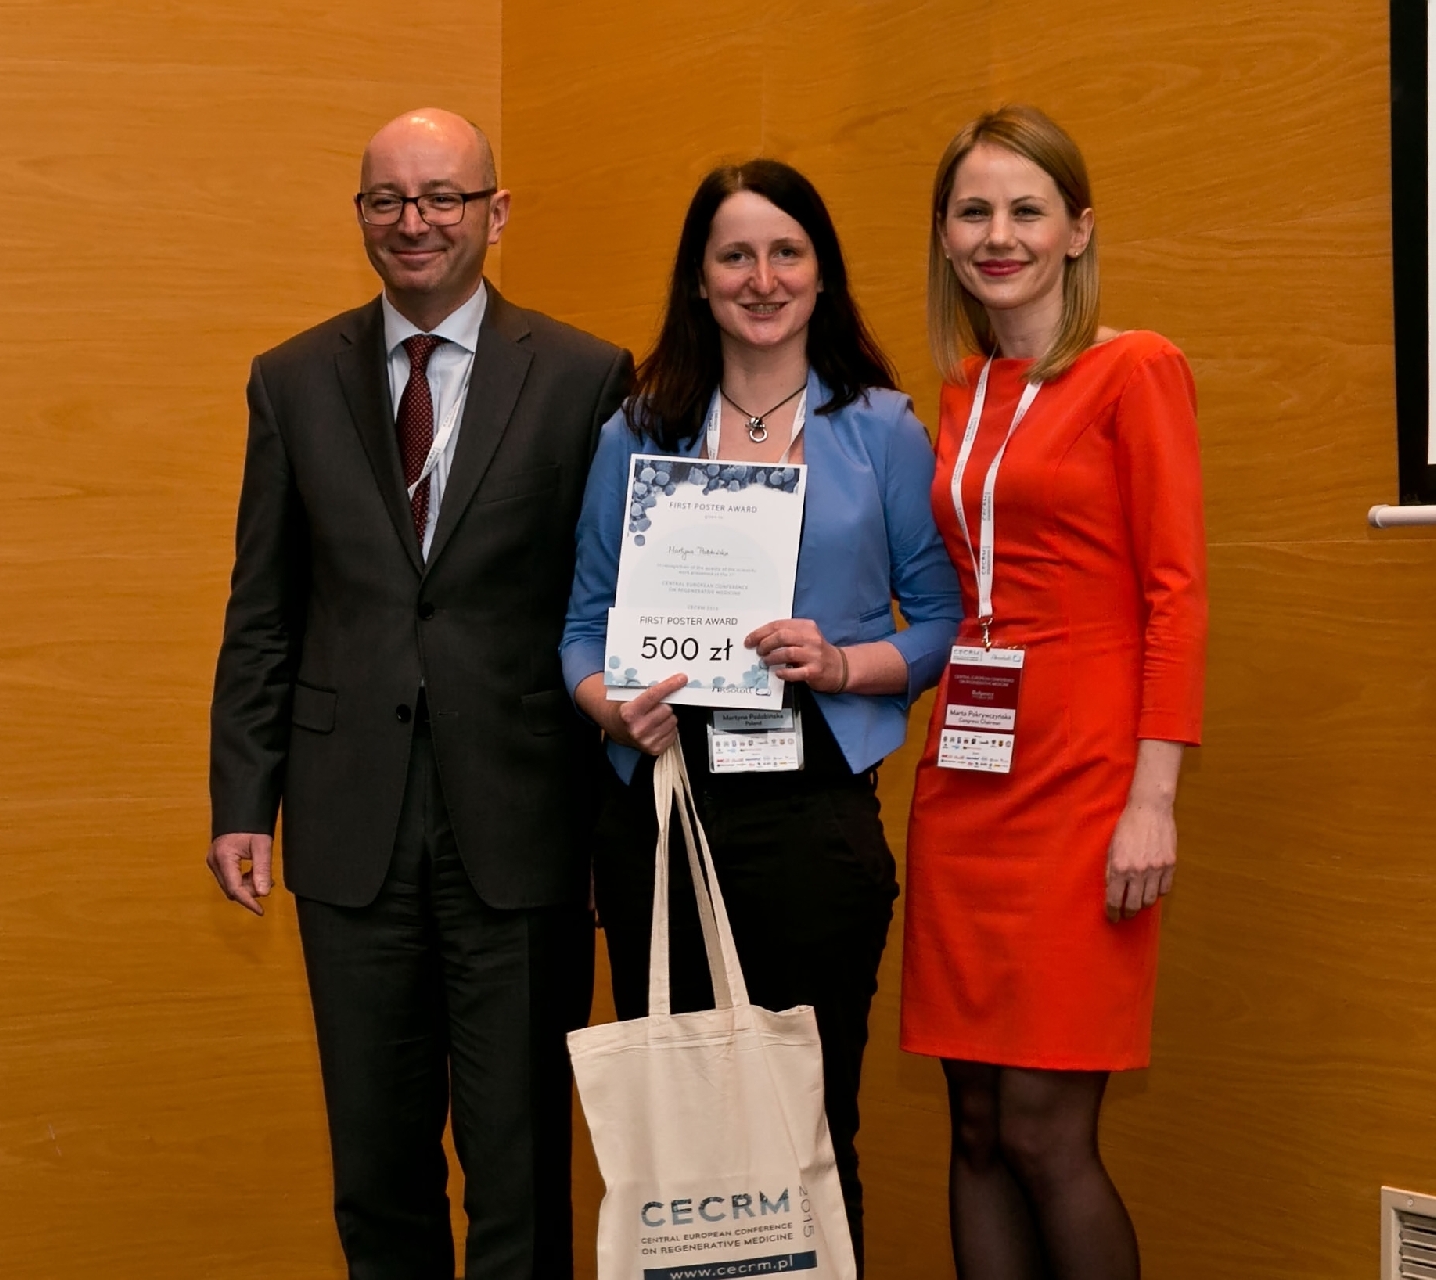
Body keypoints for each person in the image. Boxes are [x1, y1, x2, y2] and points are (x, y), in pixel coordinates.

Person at [206, 108, 634, 1280]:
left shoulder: (587, 376)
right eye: (388, 199)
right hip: (350, 827)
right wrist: (243, 799)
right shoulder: (292, 379)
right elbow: (264, 608)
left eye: (444, 196)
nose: (415, 221)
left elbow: (606, 600)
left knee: (520, 1170)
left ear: (496, 212)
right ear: (360, 216)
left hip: (523, 823)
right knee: (377, 1167)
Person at [561, 159, 964, 1275]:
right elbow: (582, 626)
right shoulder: (637, 430)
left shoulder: (880, 429)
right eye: (735, 255)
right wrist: (610, 709)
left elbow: (941, 620)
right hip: (661, 819)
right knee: (685, 1149)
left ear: (823, 274)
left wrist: (841, 662)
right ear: (699, 279)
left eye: (787, 252)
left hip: (813, 823)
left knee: (810, 1132)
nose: (762, 277)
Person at [900, 105, 1208, 1280]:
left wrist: (1153, 799)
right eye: (973, 211)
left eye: (1026, 210)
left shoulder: (1137, 367)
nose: (999, 235)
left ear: (1078, 228)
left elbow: (1176, 594)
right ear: (944, 233)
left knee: (1042, 1126)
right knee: (975, 1124)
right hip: (969, 775)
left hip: (1087, 783)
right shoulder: (963, 390)